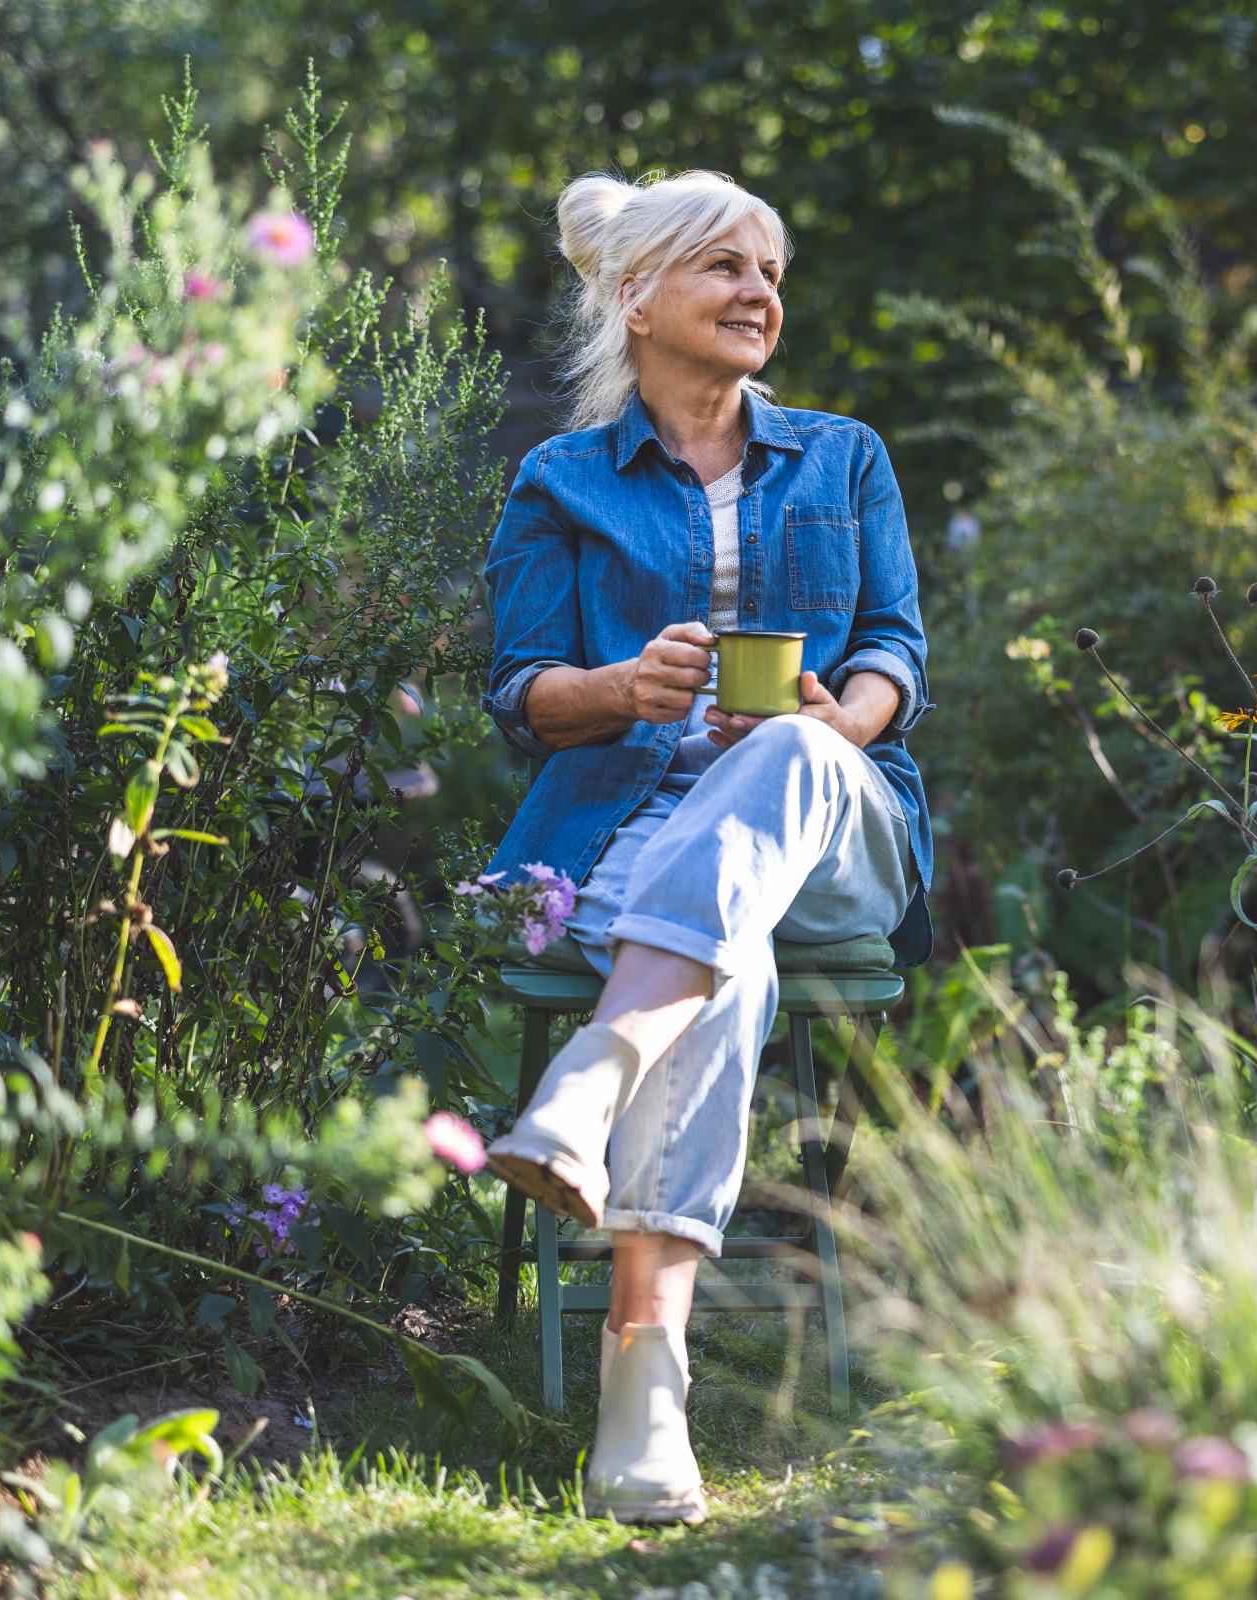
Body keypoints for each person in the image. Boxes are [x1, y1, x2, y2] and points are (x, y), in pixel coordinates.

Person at [481, 168, 931, 1524]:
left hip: (841, 827)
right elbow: (523, 696)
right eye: (726, 268)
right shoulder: (559, 480)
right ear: (639, 297)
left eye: (769, 273)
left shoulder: (843, 456)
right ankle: (647, 1389)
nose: (759, 294)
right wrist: (625, 688)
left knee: (785, 758)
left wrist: (833, 720)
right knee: (714, 952)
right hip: (633, 830)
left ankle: (593, 1069)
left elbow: (897, 651)